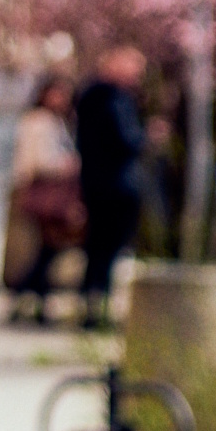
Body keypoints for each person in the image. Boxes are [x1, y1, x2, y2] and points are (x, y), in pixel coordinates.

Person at [74, 45, 148, 326]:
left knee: (97, 245)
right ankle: (98, 304)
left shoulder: (89, 97)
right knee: (108, 246)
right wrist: (145, 138)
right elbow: (126, 140)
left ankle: (93, 302)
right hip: (117, 185)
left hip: (95, 183)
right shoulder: (113, 100)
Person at [4, 73, 83, 321]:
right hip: (43, 193)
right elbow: (38, 161)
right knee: (45, 247)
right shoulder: (39, 122)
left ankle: (32, 299)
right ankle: (28, 296)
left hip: (45, 193)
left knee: (47, 248)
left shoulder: (54, 121)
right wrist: (70, 164)